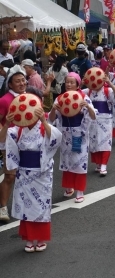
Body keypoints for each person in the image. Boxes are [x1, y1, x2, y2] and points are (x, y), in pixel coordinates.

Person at [0, 103, 62, 252]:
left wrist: (44, 121)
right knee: (25, 206)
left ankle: (40, 238)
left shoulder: (43, 127)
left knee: (41, 206)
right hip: (24, 172)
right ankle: (28, 238)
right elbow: (2, 141)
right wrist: (7, 123)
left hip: (42, 173)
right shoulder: (18, 129)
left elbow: (55, 140)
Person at [48, 72, 96, 203]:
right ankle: (69, 187)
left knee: (80, 161)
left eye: (72, 82)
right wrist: (53, 109)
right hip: (65, 133)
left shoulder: (83, 97)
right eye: (67, 82)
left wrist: (88, 107)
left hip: (79, 132)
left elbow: (92, 116)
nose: (68, 84)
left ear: (77, 84)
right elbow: (51, 119)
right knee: (66, 161)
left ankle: (80, 190)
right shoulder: (60, 98)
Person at [0, 65, 26, 222]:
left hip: (29, 142)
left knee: (27, 174)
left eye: (23, 80)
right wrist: (5, 132)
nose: (22, 83)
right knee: (10, 176)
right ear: (10, 84)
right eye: (18, 81)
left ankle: (23, 205)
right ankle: (3, 207)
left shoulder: (29, 97)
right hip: (10, 143)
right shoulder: (4, 100)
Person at [82, 74, 115, 176]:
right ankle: (98, 163)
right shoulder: (87, 91)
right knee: (94, 143)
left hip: (105, 120)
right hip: (92, 120)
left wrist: (109, 83)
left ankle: (104, 165)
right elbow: (76, 95)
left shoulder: (107, 90)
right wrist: (81, 84)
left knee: (105, 143)